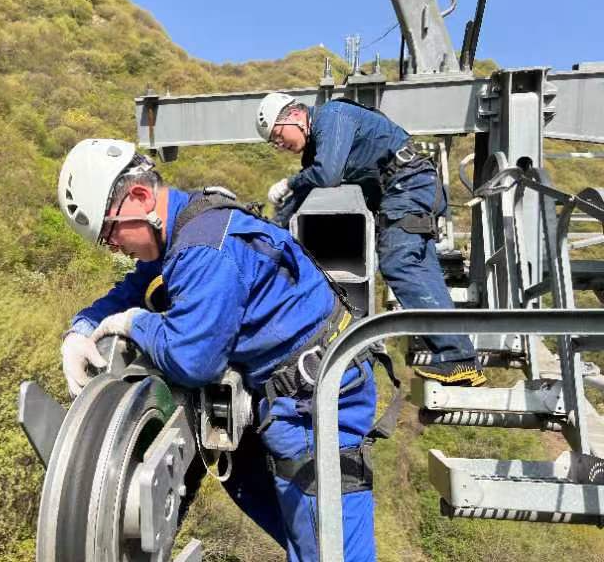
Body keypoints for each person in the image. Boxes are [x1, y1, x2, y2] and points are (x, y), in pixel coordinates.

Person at [58, 138, 380, 561]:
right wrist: (79, 331)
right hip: (295, 392)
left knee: (331, 552)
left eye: (110, 232)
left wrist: (136, 323)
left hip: (312, 406)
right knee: (284, 521)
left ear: (138, 197)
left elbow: (194, 361)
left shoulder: (204, 250)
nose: (114, 247)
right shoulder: (186, 224)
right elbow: (136, 287)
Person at [255, 93, 485, 387]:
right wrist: (272, 228)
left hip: (408, 186)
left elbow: (326, 176)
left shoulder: (332, 116)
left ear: (295, 116)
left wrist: (290, 182)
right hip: (406, 191)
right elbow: (305, 191)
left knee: (399, 262)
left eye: (277, 135)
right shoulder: (315, 151)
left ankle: (458, 356)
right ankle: (460, 358)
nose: (280, 145)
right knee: (421, 272)